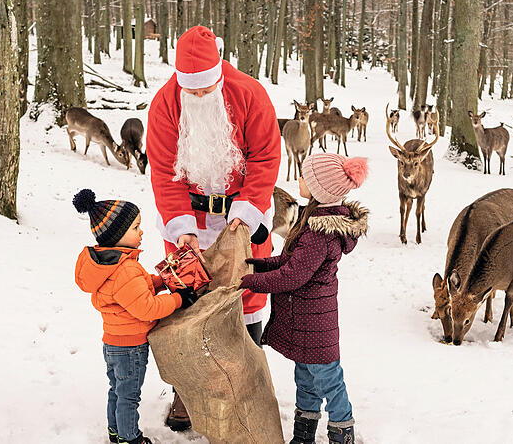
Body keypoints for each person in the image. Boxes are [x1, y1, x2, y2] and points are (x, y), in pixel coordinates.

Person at [146, 25, 281, 430]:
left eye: (207, 90)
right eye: (194, 92)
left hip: (240, 216)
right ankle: (187, 393)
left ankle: (247, 385)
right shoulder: (165, 105)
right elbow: (165, 172)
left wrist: (248, 209)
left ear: (218, 75)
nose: (201, 97)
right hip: (190, 219)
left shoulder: (248, 93)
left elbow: (265, 156)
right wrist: (180, 225)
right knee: (186, 300)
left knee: (247, 295)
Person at [240, 154, 369, 444]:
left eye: (304, 177)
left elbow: (292, 276)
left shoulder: (318, 234)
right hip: (305, 321)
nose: (298, 180)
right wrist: (258, 264)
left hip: (314, 322)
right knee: (306, 378)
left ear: (320, 188)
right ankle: (303, 434)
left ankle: (341, 431)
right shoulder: (314, 221)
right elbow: (289, 262)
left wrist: (250, 282)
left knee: (328, 379)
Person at [72, 189, 198, 444]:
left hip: (113, 342)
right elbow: (147, 308)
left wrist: (160, 281)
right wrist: (178, 299)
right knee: (129, 395)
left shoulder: (111, 264)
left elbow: (133, 290)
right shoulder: (126, 268)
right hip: (131, 346)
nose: (141, 232)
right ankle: (130, 438)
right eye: (135, 227)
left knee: (117, 392)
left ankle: (115, 431)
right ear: (118, 235)